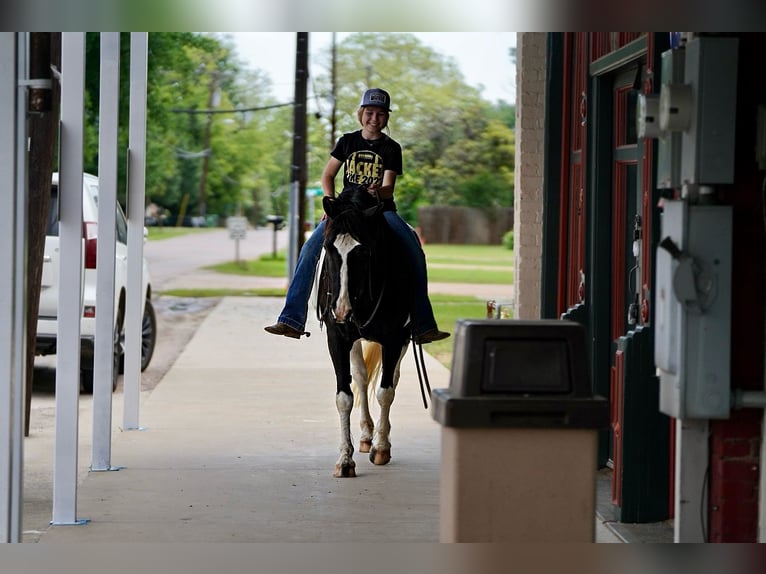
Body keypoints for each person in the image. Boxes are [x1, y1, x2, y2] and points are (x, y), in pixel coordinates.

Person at [265, 88, 450, 345]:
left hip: (380, 211)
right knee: (309, 249)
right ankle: (292, 319)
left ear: (386, 118)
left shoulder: (391, 148)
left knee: (414, 251)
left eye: (381, 114)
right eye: (370, 112)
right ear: (361, 114)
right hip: (345, 212)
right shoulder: (347, 142)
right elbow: (327, 175)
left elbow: (388, 188)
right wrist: (329, 200)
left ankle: (423, 324)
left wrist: (377, 192)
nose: (374, 118)